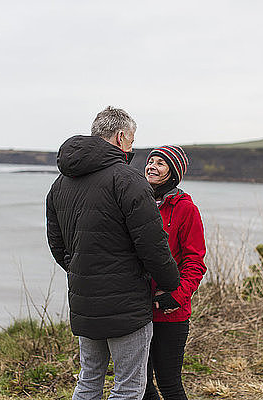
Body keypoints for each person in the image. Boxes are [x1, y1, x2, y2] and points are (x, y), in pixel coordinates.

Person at [46, 106, 180, 400]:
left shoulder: (59, 185)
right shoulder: (128, 180)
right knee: (129, 387)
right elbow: (153, 246)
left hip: (85, 301)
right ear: (121, 137)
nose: (132, 147)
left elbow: (58, 246)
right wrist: (172, 283)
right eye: (132, 139)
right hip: (127, 303)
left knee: (88, 381)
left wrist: (84, 271)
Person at [142, 145, 207, 400]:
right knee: (142, 385)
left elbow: (195, 262)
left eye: (160, 163)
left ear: (173, 173)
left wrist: (176, 296)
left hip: (171, 313)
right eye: (151, 161)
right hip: (138, 310)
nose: (152, 166)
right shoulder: (137, 203)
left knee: (169, 384)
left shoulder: (185, 209)